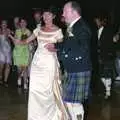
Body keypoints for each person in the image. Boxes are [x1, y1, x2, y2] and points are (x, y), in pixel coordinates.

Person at [9, 7, 69, 120]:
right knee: (34, 89)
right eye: (44, 15)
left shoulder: (58, 31)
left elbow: (62, 48)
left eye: (48, 15)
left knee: (47, 91)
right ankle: (35, 116)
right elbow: (25, 41)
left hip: (49, 63)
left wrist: (55, 48)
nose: (46, 17)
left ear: (53, 16)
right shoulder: (38, 29)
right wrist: (17, 41)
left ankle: (51, 116)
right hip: (37, 63)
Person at [57, 1, 92, 120]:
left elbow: (83, 50)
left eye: (65, 11)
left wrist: (62, 55)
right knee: (68, 101)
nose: (63, 14)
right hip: (72, 69)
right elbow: (69, 45)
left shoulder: (82, 27)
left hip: (79, 69)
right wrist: (56, 47)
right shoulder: (72, 26)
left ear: (73, 12)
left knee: (75, 103)